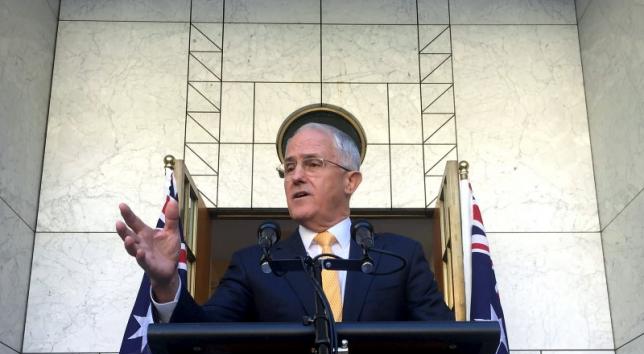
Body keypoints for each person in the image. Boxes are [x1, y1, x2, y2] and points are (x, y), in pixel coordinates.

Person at [116, 122, 453, 324]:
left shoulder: (401, 257)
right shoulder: (255, 264)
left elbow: (447, 346)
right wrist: (167, 284)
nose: (297, 176)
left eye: (313, 163)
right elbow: (204, 335)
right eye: (289, 167)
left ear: (351, 181)